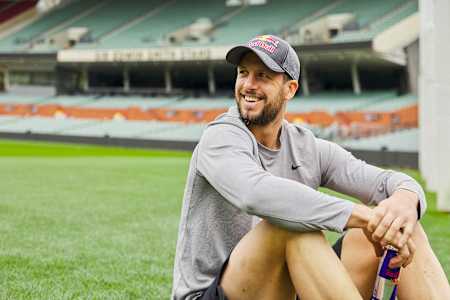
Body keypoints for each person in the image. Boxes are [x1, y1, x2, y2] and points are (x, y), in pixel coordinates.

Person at [171, 35, 450, 300]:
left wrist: (405, 200)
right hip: (213, 293)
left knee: (401, 224)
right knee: (288, 225)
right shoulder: (221, 136)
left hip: (285, 290)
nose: (248, 85)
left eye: (263, 76)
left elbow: (384, 181)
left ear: (290, 89)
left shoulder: (307, 147)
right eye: (243, 73)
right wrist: (364, 216)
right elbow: (255, 194)